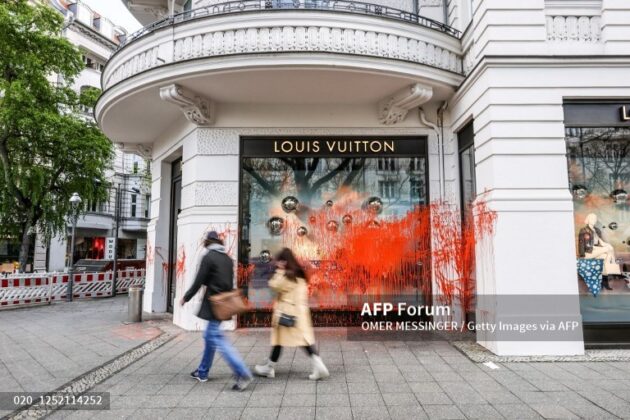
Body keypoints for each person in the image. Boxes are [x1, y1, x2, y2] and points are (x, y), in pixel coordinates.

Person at [180, 231, 253, 391]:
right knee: (210, 336)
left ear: (208, 242)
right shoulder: (227, 258)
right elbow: (227, 282)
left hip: (214, 303)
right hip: (224, 303)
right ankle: (202, 371)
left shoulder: (209, 257)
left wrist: (186, 297)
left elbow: (199, 281)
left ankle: (242, 372)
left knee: (216, 338)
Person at [254, 248, 329, 380]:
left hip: (287, 314)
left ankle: (269, 368)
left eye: (279, 261)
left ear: (284, 261)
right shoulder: (298, 274)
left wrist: (279, 270)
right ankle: (318, 365)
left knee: (281, 340)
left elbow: (273, 284)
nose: (276, 264)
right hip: (299, 313)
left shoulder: (287, 276)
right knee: (299, 341)